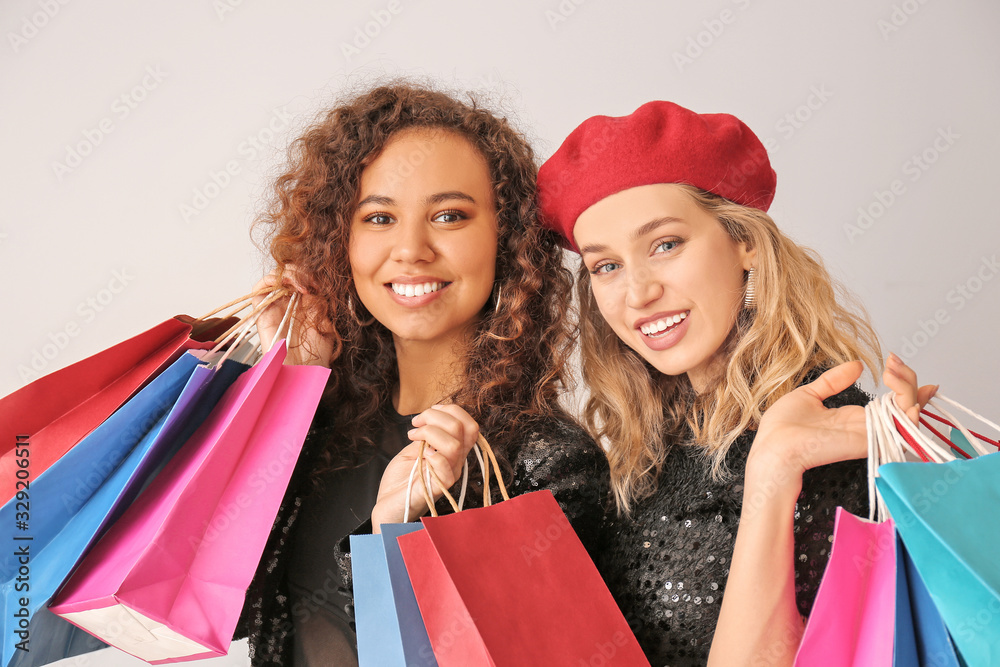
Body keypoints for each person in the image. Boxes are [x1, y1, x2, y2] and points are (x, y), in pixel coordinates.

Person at [535, 100, 934, 665]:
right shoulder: (650, 453)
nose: (638, 291)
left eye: (665, 245)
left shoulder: (832, 441)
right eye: (607, 266)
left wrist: (774, 472)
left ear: (743, 243)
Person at [236, 83, 609, 666]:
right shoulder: (316, 426)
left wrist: (394, 533)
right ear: (342, 243)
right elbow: (219, 608)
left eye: (449, 216)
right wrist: (288, 393)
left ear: (506, 240)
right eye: (379, 217)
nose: (410, 249)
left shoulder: (547, 462)